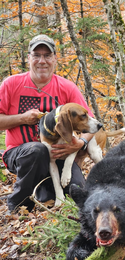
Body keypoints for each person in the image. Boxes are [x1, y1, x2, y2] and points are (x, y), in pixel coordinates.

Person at [0, 34, 95, 213]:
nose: (41, 61)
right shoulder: (11, 84)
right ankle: (18, 207)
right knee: (38, 150)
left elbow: (89, 123)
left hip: (58, 155)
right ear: (29, 58)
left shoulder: (66, 88)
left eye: (47, 55)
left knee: (78, 193)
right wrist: (22, 118)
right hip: (20, 153)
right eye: (36, 55)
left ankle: (46, 194)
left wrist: (81, 144)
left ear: (55, 59)